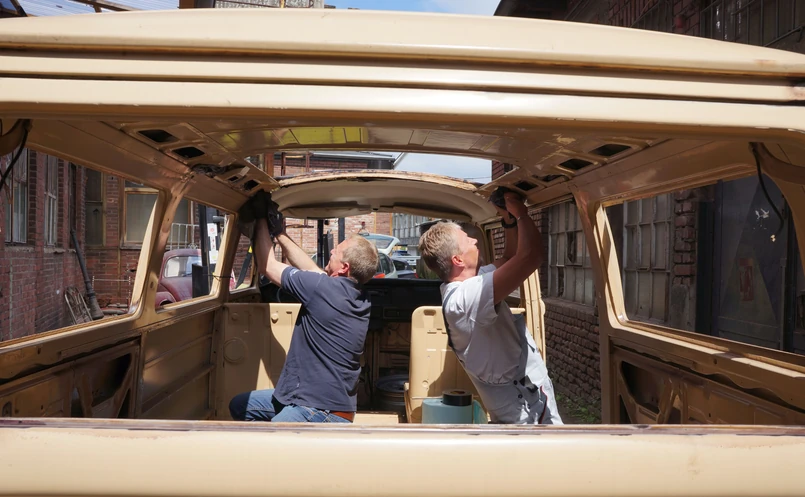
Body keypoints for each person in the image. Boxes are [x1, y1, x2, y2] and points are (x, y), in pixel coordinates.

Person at [229, 191, 379, 423]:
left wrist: (261, 219)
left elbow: (268, 266)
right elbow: (310, 269)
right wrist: (279, 233)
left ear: (344, 267)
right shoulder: (357, 295)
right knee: (241, 406)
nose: (331, 251)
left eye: (336, 251)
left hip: (319, 409)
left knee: (269, 436)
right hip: (319, 402)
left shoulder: (321, 288)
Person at [418, 189, 562, 424]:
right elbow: (531, 257)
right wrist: (522, 214)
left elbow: (510, 259)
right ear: (458, 260)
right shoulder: (465, 299)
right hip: (524, 409)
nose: (475, 241)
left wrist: (509, 220)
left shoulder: (471, 284)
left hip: (526, 396)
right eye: (468, 240)